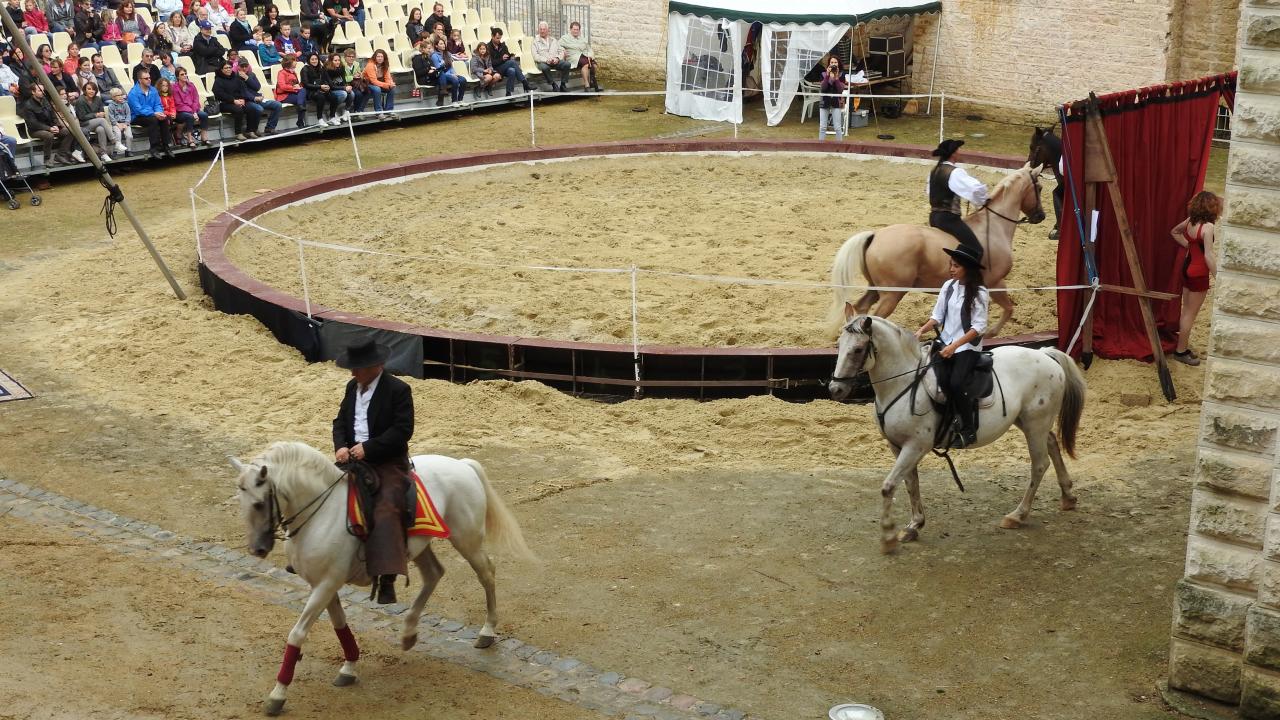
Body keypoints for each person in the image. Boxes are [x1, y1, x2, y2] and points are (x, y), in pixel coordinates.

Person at [331, 340, 414, 605]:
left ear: (376, 367)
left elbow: (402, 431)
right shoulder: (351, 387)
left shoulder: (398, 390)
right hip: (352, 458)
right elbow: (340, 421)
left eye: (357, 368)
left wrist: (368, 448)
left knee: (386, 509)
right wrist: (341, 446)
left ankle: (387, 576)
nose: (353, 373)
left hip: (387, 461)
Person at [914, 243, 989, 448]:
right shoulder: (948, 287)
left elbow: (979, 327)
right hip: (945, 341)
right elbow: (937, 317)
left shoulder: (980, 293)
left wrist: (955, 346)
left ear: (967, 268)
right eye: (951, 265)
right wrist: (921, 330)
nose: (951, 269)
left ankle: (969, 428)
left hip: (967, 347)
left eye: (956, 266)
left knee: (956, 383)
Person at [1168, 190, 1220, 366]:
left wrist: (1189, 246)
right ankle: (1181, 351)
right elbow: (1208, 256)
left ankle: (1182, 347)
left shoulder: (1190, 222)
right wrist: (1218, 277)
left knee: (1186, 311)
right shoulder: (1208, 227)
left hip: (1186, 268)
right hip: (1198, 272)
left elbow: (1174, 231)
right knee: (1191, 314)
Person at [926, 139, 988, 254]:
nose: (960, 151)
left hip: (934, 218)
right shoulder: (955, 172)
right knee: (976, 250)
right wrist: (983, 201)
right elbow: (975, 189)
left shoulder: (933, 171)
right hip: (949, 220)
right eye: (958, 149)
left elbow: (930, 192)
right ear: (953, 153)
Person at [21, 83, 76, 167]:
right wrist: (49, 128)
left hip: (50, 127)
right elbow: (33, 124)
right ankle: (47, 159)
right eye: (40, 90)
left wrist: (56, 126)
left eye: (43, 90)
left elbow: (53, 116)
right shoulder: (28, 105)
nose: (42, 92)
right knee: (49, 135)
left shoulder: (45, 101)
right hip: (35, 130)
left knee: (69, 131)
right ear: (33, 92)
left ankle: (61, 154)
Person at [127, 69, 173, 158]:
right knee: (153, 119)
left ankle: (166, 146)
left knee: (164, 118)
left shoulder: (153, 90)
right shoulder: (133, 93)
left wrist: (159, 113)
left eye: (149, 78)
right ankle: (154, 148)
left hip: (152, 114)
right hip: (137, 117)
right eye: (146, 78)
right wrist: (154, 114)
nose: (149, 80)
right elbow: (138, 110)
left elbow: (158, 104)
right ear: (140, 80)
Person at [212, 58, 261, 140]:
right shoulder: (218, 80)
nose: (228, 69)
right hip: (225, 103)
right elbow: (219, 94)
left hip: (238, 101)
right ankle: (238, 133)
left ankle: (250, 130)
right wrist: (233, 101)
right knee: (239, 110)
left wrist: (242, 99)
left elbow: (242, 90)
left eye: (229, 67)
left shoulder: (235, 77)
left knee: (252, 108)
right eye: (226, 68)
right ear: (221, 69)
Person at [73, 80, 115, 159]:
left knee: (101, 129)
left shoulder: (98, 99)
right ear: (85, 90)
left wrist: (100, 114)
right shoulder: (80, 101)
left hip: (96, 123)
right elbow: (82, 117)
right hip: (84, 124)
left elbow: (101, 111)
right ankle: (114, 140)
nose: (91, 91)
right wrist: (96, 115)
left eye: (93, 89)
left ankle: (103, 153)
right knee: (102, 121)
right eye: (89, 89)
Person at [237, 57, 280, 133]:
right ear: (238, 67)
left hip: (257, 98)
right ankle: (252, 130)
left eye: (246, 66)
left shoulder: (251, 74)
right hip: (246, 101)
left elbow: (257, 87)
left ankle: (270, 127)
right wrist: (254, 98)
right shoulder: (235, 77)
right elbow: (242, 92)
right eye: (242, 66)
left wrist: (247, 78)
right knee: (258, 109)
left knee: (277, 105)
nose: (244, 68)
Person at [172, 66, 209, 145]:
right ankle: (190, 139)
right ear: (177, 76)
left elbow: (196, 99)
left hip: (193, 110)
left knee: (204, 115)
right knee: (189, 116)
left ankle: (204, 137)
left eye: (185, 74)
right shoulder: (174, 88)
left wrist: (194, 111)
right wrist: (193, 112)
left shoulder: (191, 85)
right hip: (181, 111)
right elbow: (179, 104)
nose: (185, 75)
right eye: (182, 74)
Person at [486, 27, 528, 96]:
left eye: (500, 38)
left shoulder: (503, 45)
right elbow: (491, 63)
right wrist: (502, 59)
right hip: (494, 69)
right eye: (497, 38)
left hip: (503, 67)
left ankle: (508, 92)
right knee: (512, 63)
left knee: (512, 70)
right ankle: (524, 82)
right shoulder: (488, 47)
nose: (499, 40)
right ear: (492, 36)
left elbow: (507, 55)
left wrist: (511, 56)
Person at [559, 20, 599, 92]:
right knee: (586, 64)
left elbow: (589, 49)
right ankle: (586, 85)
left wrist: (590, 56)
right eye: (574, 29)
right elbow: (558, 46)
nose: (576, 31)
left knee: (594, 65)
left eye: (577, 30)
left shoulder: (582, 39)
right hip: (573, 57)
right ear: (571, 29)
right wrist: (563, 51)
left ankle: (591, 81)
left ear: (579, 30)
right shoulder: (564, 38)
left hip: (584, 55)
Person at [532, 20, 569, 92]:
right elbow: (535, 56)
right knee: (544, 67)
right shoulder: (535, 41)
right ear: (538, 30)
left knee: (567, 64)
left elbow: (561, 51)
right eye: (541, 29)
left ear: (548, 30)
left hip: (555, 61)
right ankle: (553, 84)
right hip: (543, 62)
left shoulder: (554, 40)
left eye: (544, 29)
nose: (542, 31)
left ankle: (563, 84)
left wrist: (557, 58)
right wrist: (546, 60)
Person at [299, 51, 335, 125]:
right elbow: (305, 84)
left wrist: (327, 86)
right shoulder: (305, 69)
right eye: (312, 59)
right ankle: (320, 118)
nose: (314, 61)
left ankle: (332, 117)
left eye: (316, 59)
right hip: (311, 91)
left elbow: (327, 79)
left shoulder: (321, 68)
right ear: (309, 60)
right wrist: (320, 86)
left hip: (321, 89)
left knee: (334, 97)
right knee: (321, 97)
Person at [272, 52, 306, 128]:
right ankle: (300, 122)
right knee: (301, 99)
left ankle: (300, 108)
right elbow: (282, 86)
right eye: (294, 60)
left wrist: (299, 86)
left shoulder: (293, 72)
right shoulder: (281, 73)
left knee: (303, 91)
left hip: (293, 93)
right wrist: (294, 87)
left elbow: (297, 84)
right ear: (289, 62)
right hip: (283, 95)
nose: (296, 62)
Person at [818, 56, 845, 142]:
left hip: (836, 101)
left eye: (835, 62)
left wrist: (836, 78)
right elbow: (823, 88)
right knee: (822, 126)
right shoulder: (823, 74)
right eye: (832, 63)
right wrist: (827, 75)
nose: (833, 64)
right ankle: (821, 146)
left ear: (838, 64)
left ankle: (839, 146)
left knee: (837, 127)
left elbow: (840, 90)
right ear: (829, 64)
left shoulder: (842, 74)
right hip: (824, 100)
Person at [428, 36, 462, 104]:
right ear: (436, 46)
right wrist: (451, 74)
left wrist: (454, 73)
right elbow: (439, 69)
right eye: (441, 44)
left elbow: (451, 66)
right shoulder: (434, 55)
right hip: (441, 74)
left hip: (450, 73)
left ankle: (460, 99)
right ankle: (454, 101)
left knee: (463, 80)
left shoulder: (448, 53)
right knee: (455, 80)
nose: (443, 45)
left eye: (443, 43)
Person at [363, 47, 394, 118]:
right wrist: (386, 85)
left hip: (379, 83)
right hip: (368, 83)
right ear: (375, 57)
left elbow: (387, 77)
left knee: (392, 88)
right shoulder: (370, 65)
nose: (380, 58)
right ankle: (379, 112)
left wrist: (390, 84)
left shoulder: (385, 65)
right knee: (377, 89)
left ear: (384, 58)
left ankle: (388, 110)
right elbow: (373, 81)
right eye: (378, 56)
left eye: (381, 57)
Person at [106, 86, 133, 154]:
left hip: (125, 123)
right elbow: (111, 117)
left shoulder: (125, 104)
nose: (121, 96)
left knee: (129, 135)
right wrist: (117, 124)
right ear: (113, 97)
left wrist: (126, 124)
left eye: (121, 95)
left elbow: (128, 114)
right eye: (118, 95)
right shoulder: (111, 106)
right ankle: (115, 151)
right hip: (116, 124)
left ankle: (128, 150)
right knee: (117, 134)